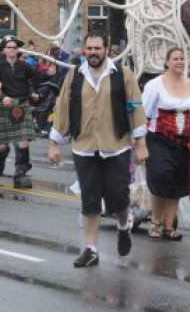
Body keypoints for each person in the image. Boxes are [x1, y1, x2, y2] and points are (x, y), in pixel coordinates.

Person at [48, 32, 148, 268]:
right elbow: (62, 108)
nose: (93, 52)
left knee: (119, 199)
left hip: (116, 146)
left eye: (97, 48)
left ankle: (124, 226)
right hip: (84, 147)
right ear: (84, 50)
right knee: (89, 200)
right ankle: (90, 250)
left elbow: (135, 106)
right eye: (89, 48)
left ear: (106, 50)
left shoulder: (123, 75)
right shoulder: (74, 76)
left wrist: (141, 143)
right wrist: (54, 143)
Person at [142, 47, 190, 241]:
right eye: (175, 58)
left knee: (176, 183)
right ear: (167, 62)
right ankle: (155, 222)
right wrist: (140, 141)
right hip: (159, 138)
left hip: (182, 141)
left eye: (182, 58)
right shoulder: (155, 84)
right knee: (161, 178)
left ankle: (169, 227)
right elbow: (145, 112)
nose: (179, 61)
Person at [0, 35, 41, 188]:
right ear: (4, 50)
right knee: (2, 146)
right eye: (9, 47)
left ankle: (20, 175)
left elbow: (32, 81)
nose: (12, 49)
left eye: (15, 47)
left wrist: (34, 92)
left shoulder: (24, 66)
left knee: (23, 142)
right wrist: (1, 96)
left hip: (21, 106)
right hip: (4, 106)